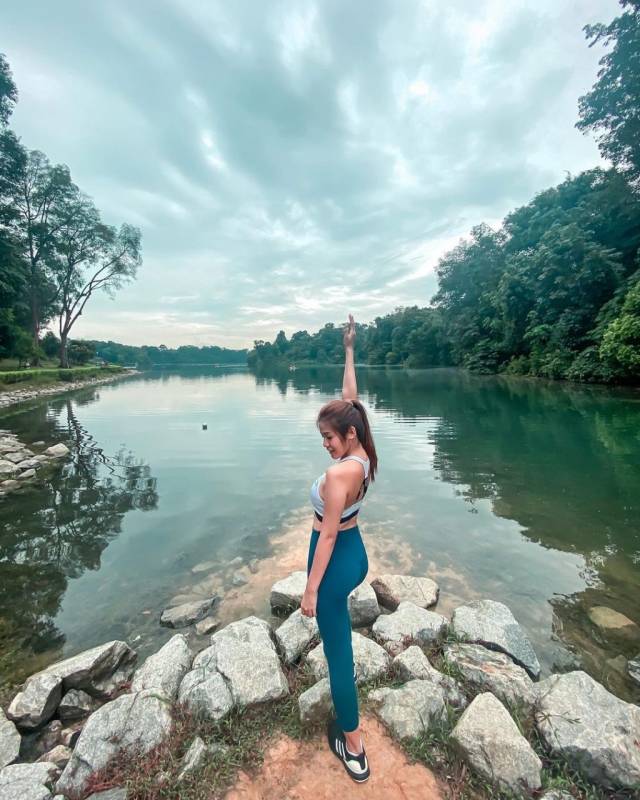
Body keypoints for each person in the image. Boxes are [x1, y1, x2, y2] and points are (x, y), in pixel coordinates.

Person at [301, 313, 378, 783]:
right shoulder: (361, 448)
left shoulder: (338, 475)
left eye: (328, 438)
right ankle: (350, 731)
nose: (326, 445)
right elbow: (351, 399)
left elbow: (326, 535)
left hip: (334, 557)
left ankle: (354, 745)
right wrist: (349, 350)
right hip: (355, 553)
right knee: (340, 640)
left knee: (338, 655)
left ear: (346, 435)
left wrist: (310, 591)